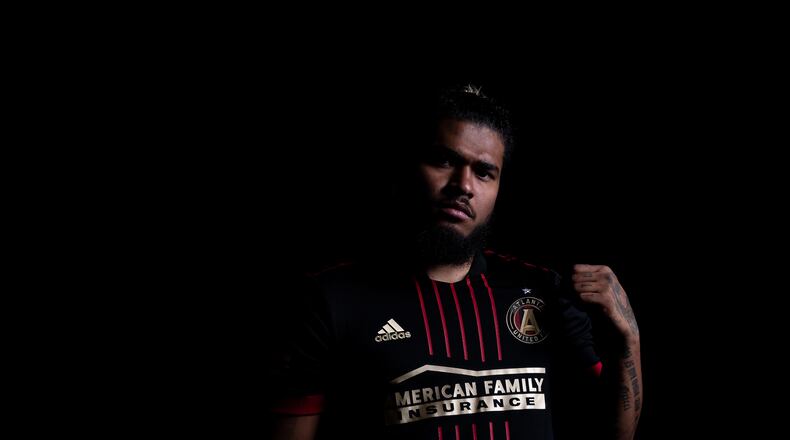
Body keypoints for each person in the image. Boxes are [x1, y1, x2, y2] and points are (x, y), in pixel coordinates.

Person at [268, 83, 642, 439]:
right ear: (405, 168)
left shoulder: (543, 289)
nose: (464, 185)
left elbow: (611, 433)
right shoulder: (332, 300)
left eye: (484, 172)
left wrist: (629, 340)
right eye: (445, 160)